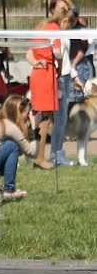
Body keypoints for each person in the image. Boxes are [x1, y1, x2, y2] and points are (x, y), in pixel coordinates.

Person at [26, 0, 72, 169]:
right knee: (45, 118)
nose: (64, 11)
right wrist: (55, 48)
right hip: (47, 74)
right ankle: (40, 158)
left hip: (40, 73)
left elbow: (29, 54)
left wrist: (36, 63)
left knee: (44, 117)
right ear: (52, 8)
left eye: (65, 9)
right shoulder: (53, 28)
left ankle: (40, 155)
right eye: (62, 8)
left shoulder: (40, 26)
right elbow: (58, 54)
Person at [50, 10, 83, 166]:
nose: (70, 27)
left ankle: (57, 153)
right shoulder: (56, 34)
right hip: (59, 79)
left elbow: (67, 60)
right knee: (60, 120)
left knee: (61, 120)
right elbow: (57, 57)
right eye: (70, 24)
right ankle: (56, 154)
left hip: (65, 78)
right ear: (65, 21)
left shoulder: (63, 35)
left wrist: (75, 77)